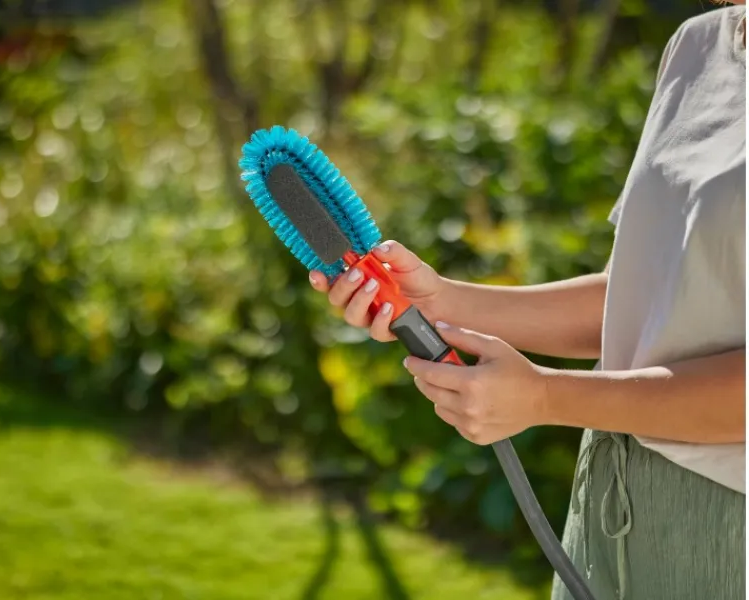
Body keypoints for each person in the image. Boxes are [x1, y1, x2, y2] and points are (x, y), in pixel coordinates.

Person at [308, 4, 746, 599]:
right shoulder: (699, 47)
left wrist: (544, 395)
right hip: (612, 502)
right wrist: (441, 302)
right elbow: (641, 298)